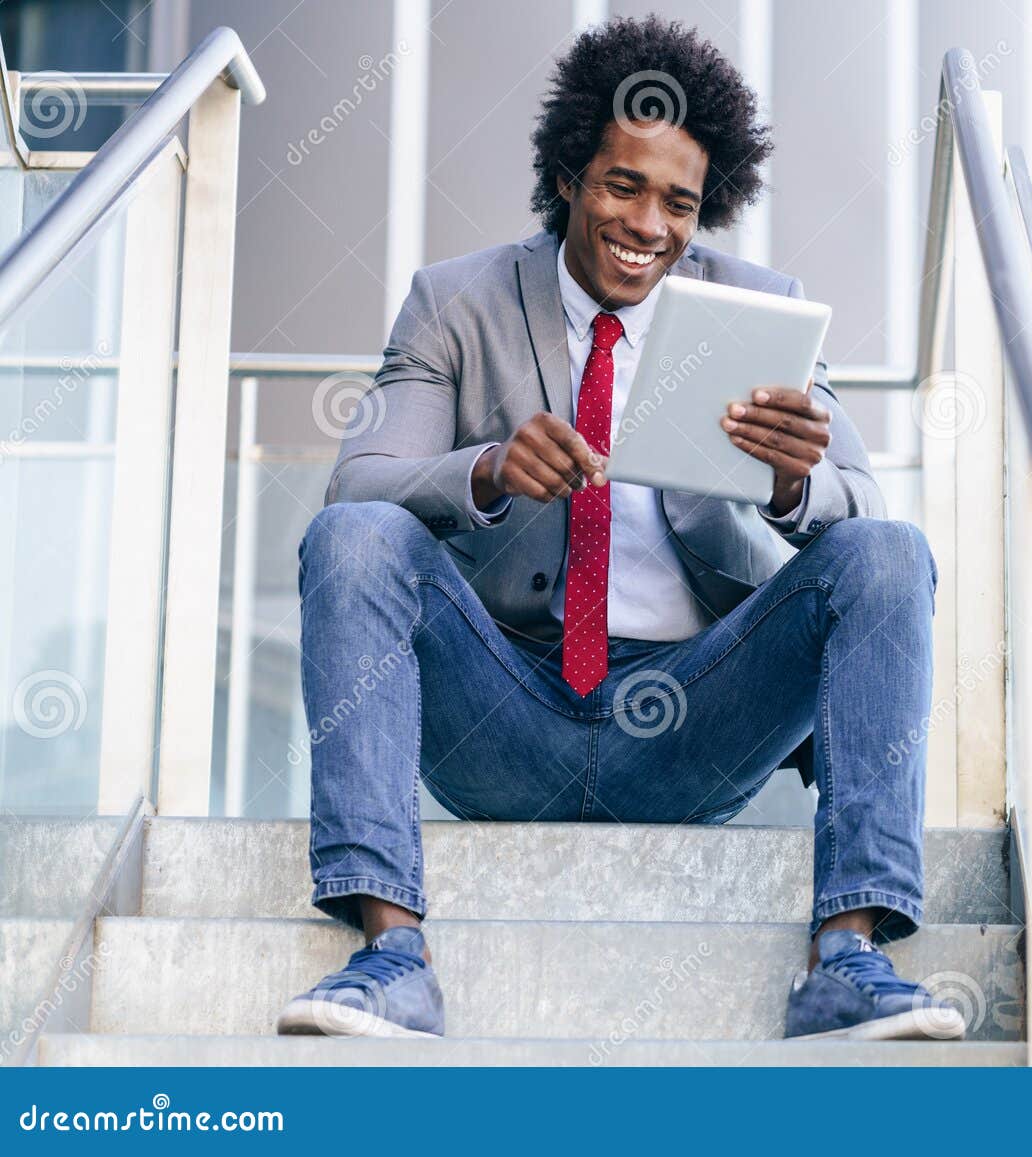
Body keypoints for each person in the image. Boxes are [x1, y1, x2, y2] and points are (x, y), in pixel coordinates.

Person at [275, 14, 959, 1043]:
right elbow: (355, 486)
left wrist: (789, 484)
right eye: (621, 185)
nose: (647, 222)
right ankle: (392, 957)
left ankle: (849, 959)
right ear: (566, 177)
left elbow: (865, 511)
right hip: (503, 711)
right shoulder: (454, 303)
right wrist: (490, 469)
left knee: (886, 554)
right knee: (354, 542)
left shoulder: (757, 311)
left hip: (690, 720)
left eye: (678, 201)